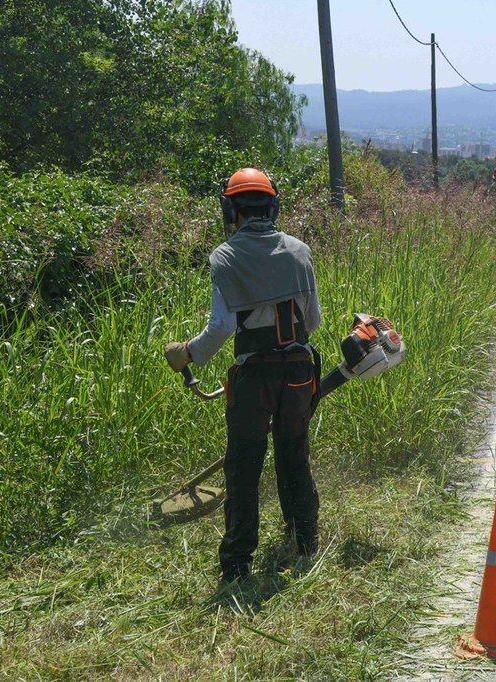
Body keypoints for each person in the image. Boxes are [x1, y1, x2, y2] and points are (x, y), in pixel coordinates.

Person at [163, 168, 322, 586]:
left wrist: (187, 355)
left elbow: (221, 328)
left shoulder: (225, 257)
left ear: (230, 209)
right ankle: (304, 540)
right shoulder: (300, 251)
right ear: (273, 206)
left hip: (254, 379)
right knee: (293, 455)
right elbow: (314, 321)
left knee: (245, 465)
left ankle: (236, 564)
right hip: (299, 372)